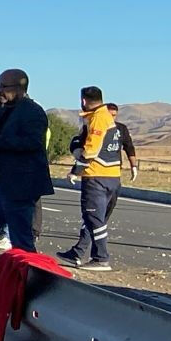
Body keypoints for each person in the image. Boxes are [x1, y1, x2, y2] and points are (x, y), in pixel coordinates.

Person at [0, 68, 54, 252]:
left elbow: (32, 143)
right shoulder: (2, 110)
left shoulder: (33, 111)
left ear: (19, 88)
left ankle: (24, 277)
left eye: (3, 86)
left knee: (20, 240)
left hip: (19, 185)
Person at [57, 86, 123, 271]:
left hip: (97, 176)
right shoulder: (107, 117)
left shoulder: (98, 119)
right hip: (113, 176)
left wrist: (76, 169)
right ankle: (78, 252)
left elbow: (91, 150)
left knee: (94, 218)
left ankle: (101, 258)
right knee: (94, 217)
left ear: (84, 100)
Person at [106, 102, 140, 180]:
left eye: (114, 115)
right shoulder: (96, 128)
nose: (111, 117)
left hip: (115, 168)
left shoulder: (121, 128)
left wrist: (133, 166)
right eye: (109, 115)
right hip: (98, 169)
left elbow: (129, 148)